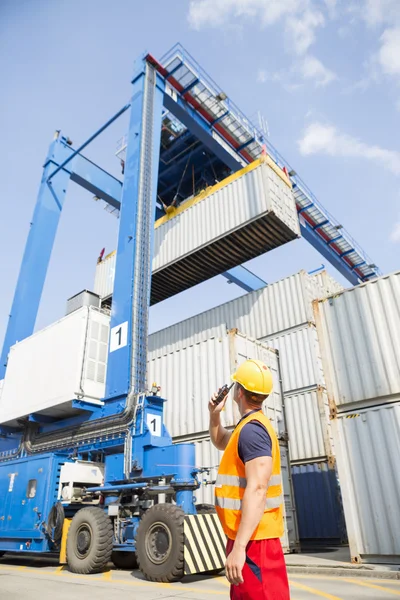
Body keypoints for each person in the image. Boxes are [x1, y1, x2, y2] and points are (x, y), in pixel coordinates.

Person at [209, 359, 290, 600]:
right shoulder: (247, 427)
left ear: (239, 392)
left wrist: (241, 547)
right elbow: (220, 440)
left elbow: (257, 489)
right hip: (250, 536)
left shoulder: (252, 431)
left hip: (255, 542)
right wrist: (214, 414)